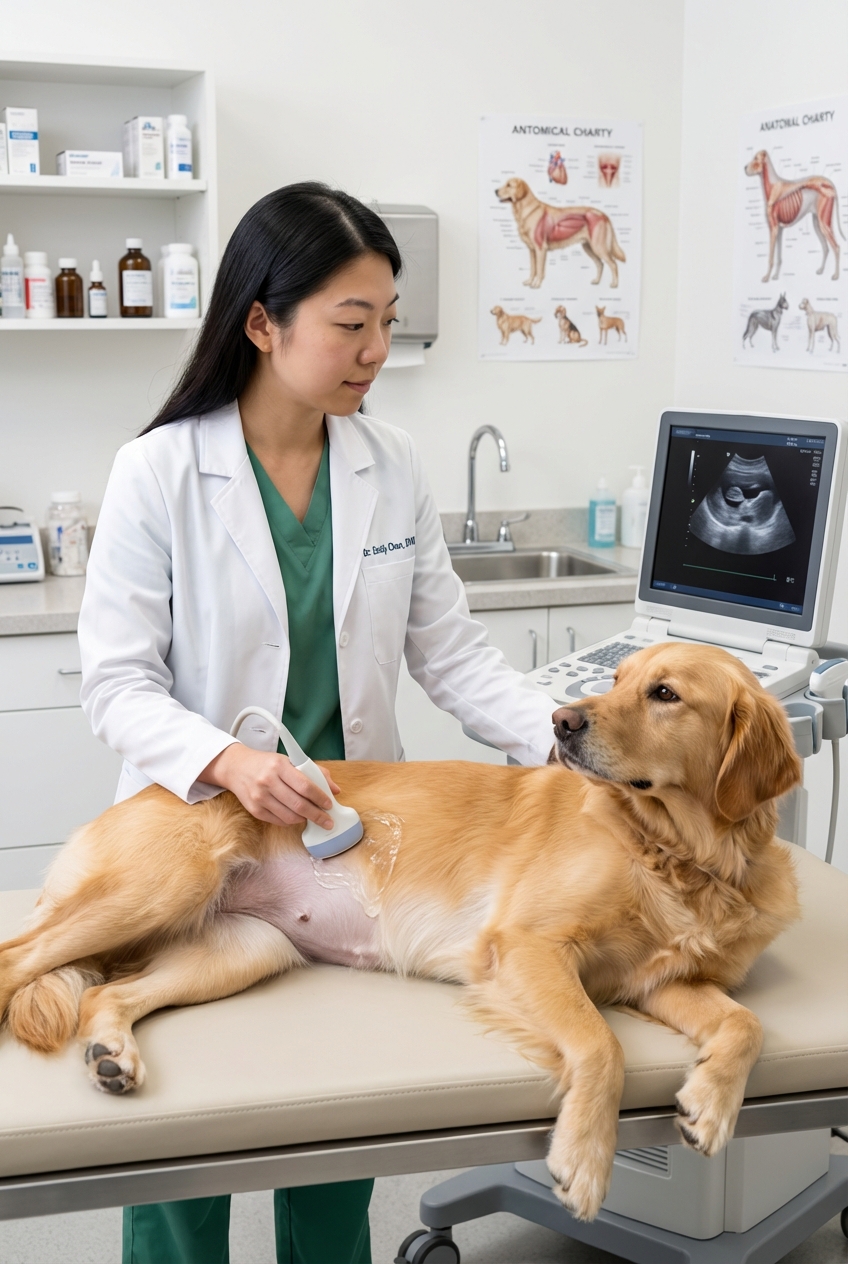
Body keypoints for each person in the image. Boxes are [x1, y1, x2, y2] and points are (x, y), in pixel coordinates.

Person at [78, 182, 554, 1264]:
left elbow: (454, 654)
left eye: (387, 320)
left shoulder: (389, 468)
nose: (376, 348)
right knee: (181, 1142)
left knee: (338, 1128)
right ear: (261, 322)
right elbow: (115, 685)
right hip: (206, 834)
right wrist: (232, 762)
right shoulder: (158, 472)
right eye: (351, 323)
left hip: (353, 853)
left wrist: (561, 739)